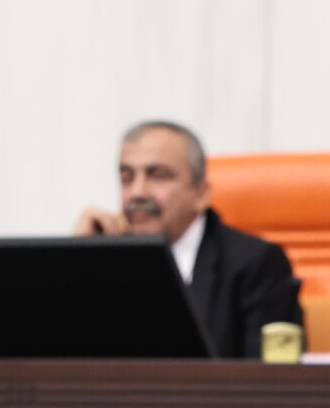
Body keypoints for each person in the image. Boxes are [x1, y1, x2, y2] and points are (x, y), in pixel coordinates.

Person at [73, 119, 303, 361]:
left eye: (158, 176)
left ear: (201, 194)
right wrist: (78, 263)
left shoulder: (256, 264)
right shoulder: (108, 258)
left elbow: (267, 377)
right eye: (127, 178)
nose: (137, 192)